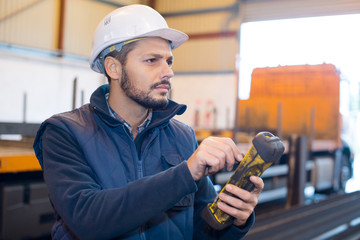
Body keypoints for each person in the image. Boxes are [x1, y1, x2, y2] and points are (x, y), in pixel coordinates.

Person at [33, 4, 264, 240]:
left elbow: (201, 231)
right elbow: (88, 220)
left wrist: (235, 219)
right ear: (113, 68)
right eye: (152, 60)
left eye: (169, 61)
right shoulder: (65, 132)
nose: (168, 72)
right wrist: (184, 174)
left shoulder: (182, 137)